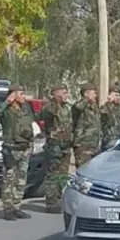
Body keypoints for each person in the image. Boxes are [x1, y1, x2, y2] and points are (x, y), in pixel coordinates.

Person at [0, 85, 35, 220]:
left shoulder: (26, 109)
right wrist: (7, 101)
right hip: (11, 149)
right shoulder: (6, 110)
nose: (24, 96)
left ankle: (17, 206)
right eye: (21, 94)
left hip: (25, 148)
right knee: (9, 180)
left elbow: (31, 124)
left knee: (21, 179)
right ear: (13, 95)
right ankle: (8, 209)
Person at [40, 84, 74, 213]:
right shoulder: (49, 106)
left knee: (63, 175)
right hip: (54, 146)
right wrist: (56, 100)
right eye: (64, 93)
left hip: (65, 145)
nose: (67, 96)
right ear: (57, 94)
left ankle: (60, 199)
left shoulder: (67, 107)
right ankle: (51, 201)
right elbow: (48, 113)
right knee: (53, 174)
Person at [72, 83, 102, 169]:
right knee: (83, 170)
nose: (95, 96)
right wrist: (87, 99)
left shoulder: (94, 107)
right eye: (93, 93)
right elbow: (77, 109)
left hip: (95, 145)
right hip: (83, 145)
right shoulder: (79, 106)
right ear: (86, 94)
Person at [101, 86, 120, 151]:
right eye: (116, 95)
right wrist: (109, 102)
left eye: (119, 95)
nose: (118, 97)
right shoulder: (105, 107)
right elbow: (105, 118)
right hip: (109, 139)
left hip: (119, 138)